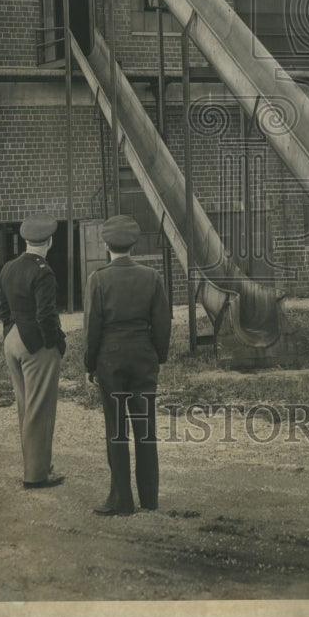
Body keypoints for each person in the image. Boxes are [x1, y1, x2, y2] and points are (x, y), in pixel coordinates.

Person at [85, 215, 171, 516]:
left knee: (116, 429)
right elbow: (163, 322)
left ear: (106, 245)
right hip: (144, 356)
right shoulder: (152, 276)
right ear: (133, 244)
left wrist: (89, 364)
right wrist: (158, 356)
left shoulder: (98, 278)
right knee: (145, 428)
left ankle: (121, 501)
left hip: (110, 358)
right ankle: (149, 498)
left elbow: (92, 326)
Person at [0, 213, 66, 489]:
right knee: (40, 409)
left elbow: (3, 309)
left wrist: (9, 333)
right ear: (48, 242)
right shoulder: (43, 271)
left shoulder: (8, 268)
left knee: (25, 406)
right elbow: (46, 315)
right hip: (35, 344)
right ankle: (36, 476)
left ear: (26, 240)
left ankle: (36, 465)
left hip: (13, 339)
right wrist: (56, 343)